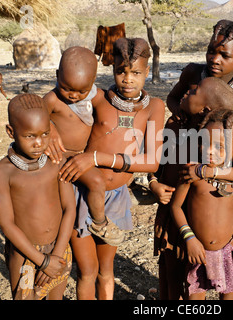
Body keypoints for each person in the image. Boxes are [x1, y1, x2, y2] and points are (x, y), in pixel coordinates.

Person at [58, 37, 165, 300]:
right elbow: (58, 96)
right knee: (86, 271)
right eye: (121, 71)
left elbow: (152, 161)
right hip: (81, 192)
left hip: (115, 196)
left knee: (107, 270)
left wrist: (95, 158)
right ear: (113, 69)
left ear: (147, 72)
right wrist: (50, 133)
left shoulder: (154, 107)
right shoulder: (98, 98)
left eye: (136, 73)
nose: (128, 79)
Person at [151, 77, 233, 299]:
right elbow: (155, 166)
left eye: (194, 90)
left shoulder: (224, 150)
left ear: (207, 109)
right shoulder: (176, 128)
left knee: (225, 288)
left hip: (218, 236)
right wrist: (152, 184)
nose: (187, 91)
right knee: (174, 280)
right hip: (180, 224)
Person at [0, 94, 76, 300]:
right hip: (25, 256)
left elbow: (69, 209)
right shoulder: (2, 172)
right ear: (11, 132)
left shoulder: (56, 162)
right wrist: (43, 262)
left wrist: (55, 257)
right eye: (30, 136)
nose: (39, 143)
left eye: (45, 134)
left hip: (60, 248)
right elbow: (7, 225)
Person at [170, 109, 233, 300]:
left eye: (219, 146)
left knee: (230, 295)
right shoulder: (191, 170)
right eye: (204, 143)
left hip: (230, 246)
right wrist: (189, 238)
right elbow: (176, 206)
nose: (210, 151)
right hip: (198, 250)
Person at [42, 46, 120, 244]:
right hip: (62, 154)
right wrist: (49, 127)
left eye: (81, 91)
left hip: (84, 155)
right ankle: (100, 223)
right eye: (67, 88)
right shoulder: (52, 99)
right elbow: (35, 116)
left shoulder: (95, 97)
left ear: (92, 82)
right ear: (58, 75)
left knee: (97, 181)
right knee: (96, 181)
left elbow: (112, 111)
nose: (73, 96)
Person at [166, 19, 233, 147]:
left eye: (225, 56)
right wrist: (177, 111)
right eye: (211, 51)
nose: (215, 59)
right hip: (180, 143)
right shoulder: (192, 73)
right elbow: (172, 98)